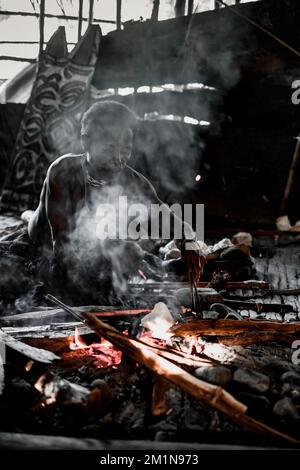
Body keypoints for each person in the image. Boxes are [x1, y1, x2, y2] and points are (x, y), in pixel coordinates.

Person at [28, 100, 200, 302]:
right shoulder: (64, 171)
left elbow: (168, 219)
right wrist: (118, 250)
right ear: (86, 141)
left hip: (98, 248)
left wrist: (189, 240)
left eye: (126, 149)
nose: (119, 158)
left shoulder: (133, 180)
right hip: (44, 243)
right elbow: (63, 246)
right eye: (109, 148)